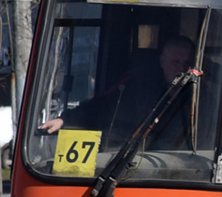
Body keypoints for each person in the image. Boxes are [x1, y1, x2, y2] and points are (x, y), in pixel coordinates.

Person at [39, 34, 197, 147]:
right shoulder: (134, 88)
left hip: (179, 171)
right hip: (134, 162)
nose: (182, 68)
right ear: (162, 61)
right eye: (175, 62)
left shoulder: (202, 97)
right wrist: (65, 120)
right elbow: (100, 106)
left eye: (187, 62)